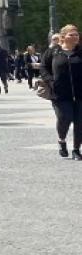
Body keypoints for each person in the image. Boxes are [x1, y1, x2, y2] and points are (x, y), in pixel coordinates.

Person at [42, 24, 81, 159]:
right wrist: (50, 81)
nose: (75, 37)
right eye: (72, 34)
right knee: (65, 117)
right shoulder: (53, 52)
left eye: (77, 34)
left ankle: (76, 149)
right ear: (63, 37)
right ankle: (61, 140)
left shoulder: (80, 51)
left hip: (80, 93)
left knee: (80, 121)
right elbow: (44, 68)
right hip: (60, 93)